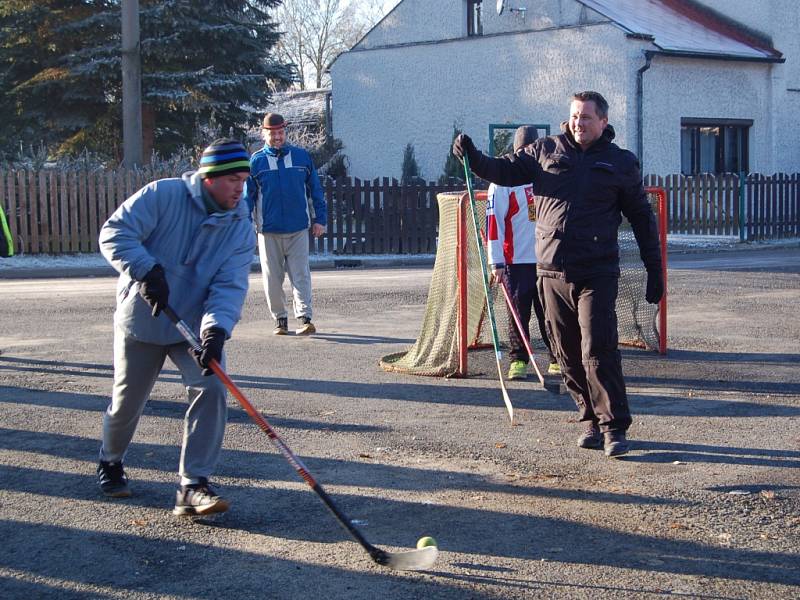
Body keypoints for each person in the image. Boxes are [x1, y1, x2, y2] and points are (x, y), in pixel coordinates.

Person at [454, 91, 664, 457]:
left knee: (597, 347)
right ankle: (589, 420)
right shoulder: (545, 151)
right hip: (550, 271)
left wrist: (654, 269)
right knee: (566, 352)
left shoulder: (620, 163)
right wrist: (473, 157)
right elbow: (502, 170)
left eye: (586, 117)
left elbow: (643, 219)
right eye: (574, 116)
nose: (579, 123)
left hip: (597, 271)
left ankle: (614, 427)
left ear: (603, 121)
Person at [96, 139, 256, 515]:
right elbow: (114, 232)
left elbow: (229, 285)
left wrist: (215, 331)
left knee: (212, 387)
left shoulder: (240, 224)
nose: (239, 188)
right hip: (144, 317)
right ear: (208, 178)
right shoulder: (162, 194)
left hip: (194, 326)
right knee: (127, 401)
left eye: (244, 180)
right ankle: (110, 459)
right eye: (232, 179)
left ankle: (192, 485)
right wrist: (146, 270)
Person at [486, 126, 559, 380]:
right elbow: (494, 223)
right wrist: (495, 261)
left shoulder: (547, 174)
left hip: (546, 258)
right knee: (518, 312)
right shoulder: (503, 181)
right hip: (515, 260)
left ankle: (557, 358)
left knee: (550, 312)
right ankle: (518, 359)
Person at [245, 113, 327, 336]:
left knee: (301, 275)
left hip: (298, 228)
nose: (277, 137)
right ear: (264, 134)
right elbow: (248, 198)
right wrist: (246, 227)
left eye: (281, 133)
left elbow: (315, 190)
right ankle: (280, 320)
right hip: (268, 231)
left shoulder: (302, 157)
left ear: (285, 133)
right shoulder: (256, 161)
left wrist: (320, 219)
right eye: (272, 133)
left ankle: (305, 318)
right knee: (272, 279)